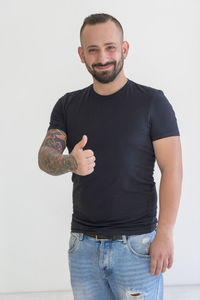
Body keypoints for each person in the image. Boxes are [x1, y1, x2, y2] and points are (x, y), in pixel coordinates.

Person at [38, 13, 183, 300]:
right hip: (83, 248)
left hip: (137, 247)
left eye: (110, 47)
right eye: (93, 50)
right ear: (82, 55)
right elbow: (45, 157)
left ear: (124, 49)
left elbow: (173, 169)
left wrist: (164, 234)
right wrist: (71, 162)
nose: (102, 57)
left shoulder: (153, 102)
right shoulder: (67, 105)